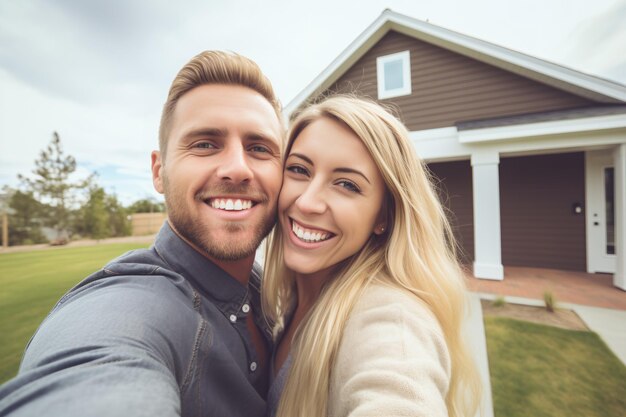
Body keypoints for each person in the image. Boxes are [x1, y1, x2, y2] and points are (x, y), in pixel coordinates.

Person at [0, 51, 284, 417]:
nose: (236, 168)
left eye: (259, 148)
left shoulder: (268, 288)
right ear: (158, 171)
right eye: (205, 144)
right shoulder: (128, 308)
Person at [262, 96, 481, 417]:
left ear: (384, 217)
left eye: (347, 185)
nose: (308, 202)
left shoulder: (393, 319)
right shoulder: (284, 299)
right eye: (298, 169)